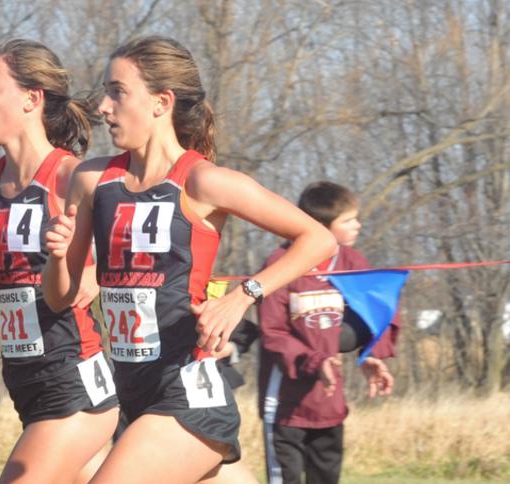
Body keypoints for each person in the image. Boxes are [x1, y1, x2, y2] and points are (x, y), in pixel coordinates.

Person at [42, 35, 337, 483]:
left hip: (188, 394)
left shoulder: (203, 181)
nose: (103, 106)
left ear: (161, 102)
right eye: (105, 92)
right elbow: (59, 298)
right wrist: (57, 257)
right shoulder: (92, 179)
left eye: (118, 92)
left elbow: (318, 239)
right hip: (132, 391)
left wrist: (243, 296)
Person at [0, 38, 119, 483]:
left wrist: (95, 275)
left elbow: (137, 257)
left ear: (31, 99)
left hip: (74, 376)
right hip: (24, 382)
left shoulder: (72, 176)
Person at [258, 180, 398, 484]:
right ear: (320, 226)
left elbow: (378, 310)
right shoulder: (280, 264)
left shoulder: (353, 263)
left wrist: (372, 354)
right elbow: (273, 333)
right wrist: (315, 361)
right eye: (348, 220)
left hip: (330, 403)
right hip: (285, 405)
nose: (358, 225)